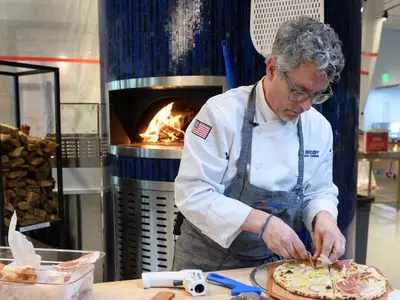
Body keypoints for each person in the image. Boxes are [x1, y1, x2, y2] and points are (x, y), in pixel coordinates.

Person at [172, 16, 346, 272]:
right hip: (206, 261)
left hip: (271, 263)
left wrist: (325, 218)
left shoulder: (317, 127)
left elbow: (318, 190)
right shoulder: (220, 114)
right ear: (272, 67)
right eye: (298, 91)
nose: (306, 105)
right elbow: (193, 193)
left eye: (317, 95)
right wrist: (264, 223)